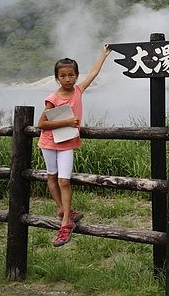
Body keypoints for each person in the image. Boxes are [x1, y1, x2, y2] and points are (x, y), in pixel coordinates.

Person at [37, 44, 111, 247]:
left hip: (67, 143)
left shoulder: (78, 90)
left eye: (71, 75)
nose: (68, 79)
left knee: (64, 181)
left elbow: (94, 73)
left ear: (77, 76)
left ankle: (65, 222)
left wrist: (103, 55)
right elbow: (41, 124)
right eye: (63, 76)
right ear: (57, 78)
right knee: (52, 177)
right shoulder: (52, 98)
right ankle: (64, 211)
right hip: (48, 142)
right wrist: (67, 122)